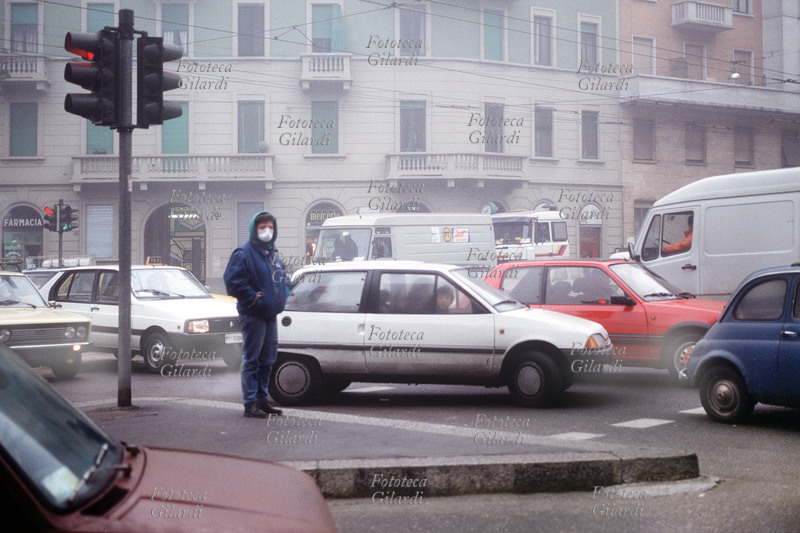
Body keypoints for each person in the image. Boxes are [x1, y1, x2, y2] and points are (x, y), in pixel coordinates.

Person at [224, 211, 289, 418]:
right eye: (263, 228)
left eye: (270, 227)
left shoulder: (272, 254)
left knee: (267, 359)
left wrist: (284, 292)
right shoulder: (243, 253)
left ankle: (262, 400)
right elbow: (233, 282)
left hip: (270, 314)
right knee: (252, 359)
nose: (267, 231)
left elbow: (283, 278)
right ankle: (250, 403)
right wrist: (253, 298)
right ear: (255, 229)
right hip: (253, 314)